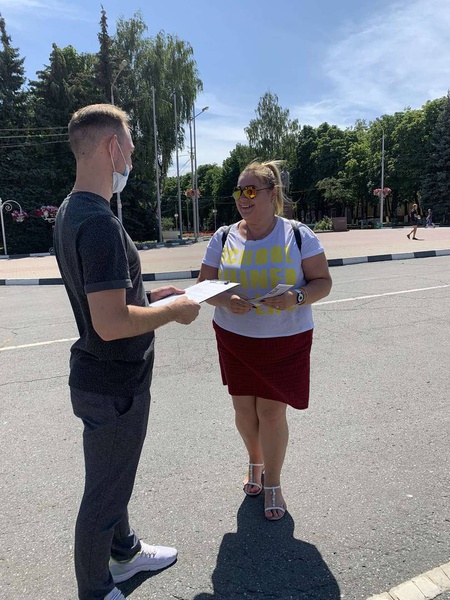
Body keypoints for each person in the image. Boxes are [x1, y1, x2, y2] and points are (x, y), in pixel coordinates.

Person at [53, 104, 201, 600]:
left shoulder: (71, 210)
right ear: (112, 147)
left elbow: (109, 298)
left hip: (101, 378)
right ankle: (96, 590)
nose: (132, 161)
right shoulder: (98, 222)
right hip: (114, 383)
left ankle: (125, 552)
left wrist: (153, 297)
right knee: (104, 494)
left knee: (113, 477)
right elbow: (111, 322)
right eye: (131, 150)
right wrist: (174, 311)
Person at [197, 160, 332, 521]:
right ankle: (254, 461)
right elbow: (204, 287)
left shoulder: (298, 234)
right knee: (244, 411)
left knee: (271, 412)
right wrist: (227, 300)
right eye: (238, 191)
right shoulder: (223, 237)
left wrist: (296, 297)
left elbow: (323, 283)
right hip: (235, 338)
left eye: (251, 190)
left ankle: (273, 482)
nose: (243, 198)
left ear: (273, 195)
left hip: (285, 339)